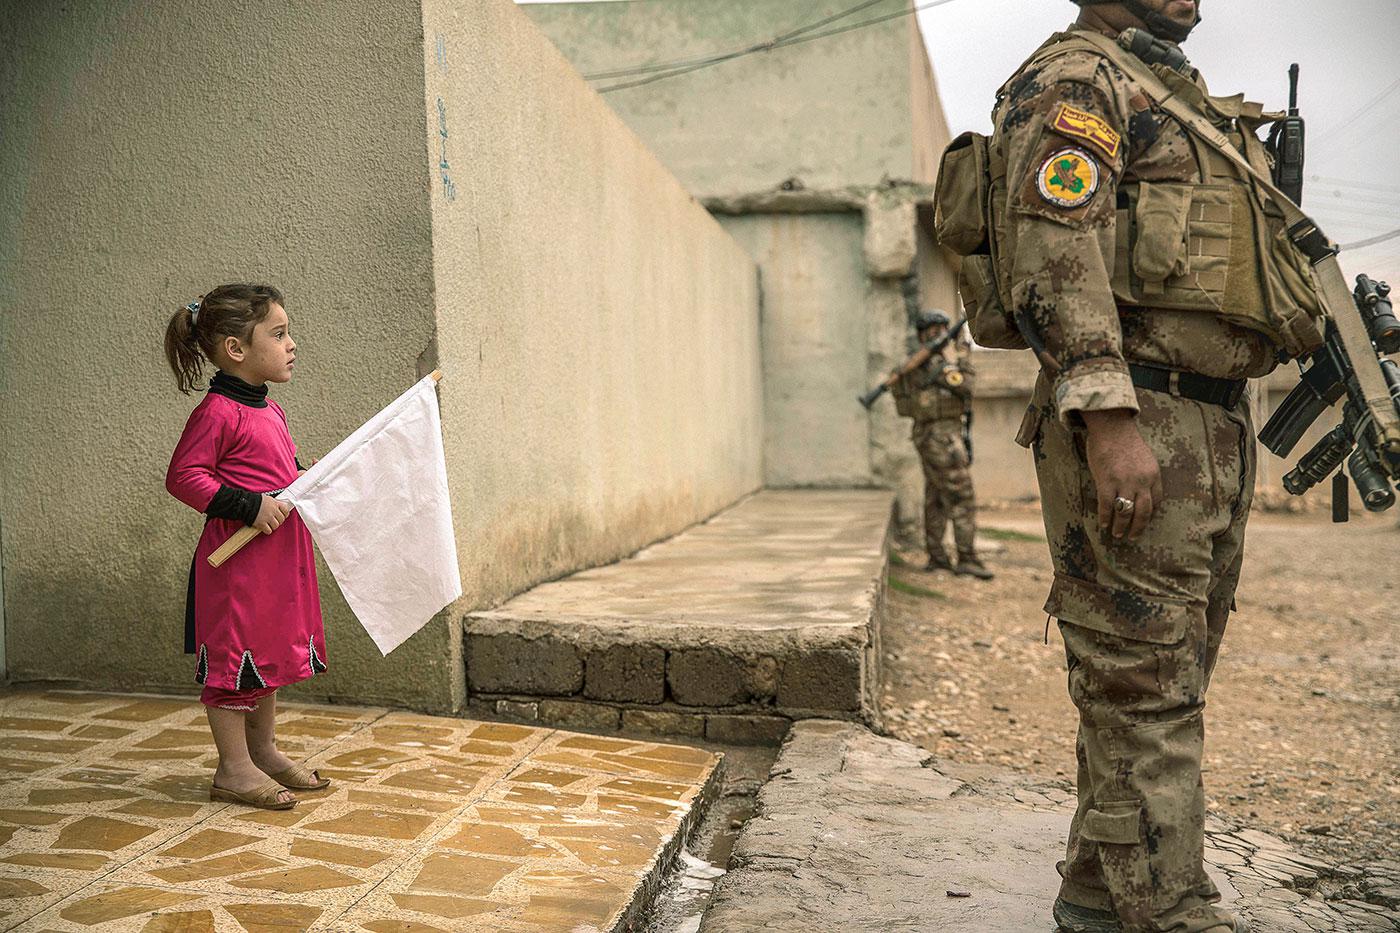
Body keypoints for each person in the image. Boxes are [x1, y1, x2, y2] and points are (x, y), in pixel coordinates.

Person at [980, 0, 1326, 929]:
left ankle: (1099, 892)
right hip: (1142, 416)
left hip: (1208, 423)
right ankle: (1169, 909)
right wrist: (1106, 415)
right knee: (1147, 688)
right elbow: (1056, 251)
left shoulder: (1179, 98)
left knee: (1166, 677)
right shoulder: (1077, 81)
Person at [164, 283, 330, 811]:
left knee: (265, 653)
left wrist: (302, 478)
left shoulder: (268, 410)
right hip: (236, 563)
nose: (291, 344)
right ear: (237, 349)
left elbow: (273, 473)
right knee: (235, 659)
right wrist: (249, 505)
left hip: (274, 561)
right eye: (278, 334)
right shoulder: (217, 412)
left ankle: (263, 750)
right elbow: (184, 476)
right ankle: (233, 768)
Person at [890, 310, 993, 580]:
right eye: (937, 330)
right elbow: (967, 385)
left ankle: (937, 556)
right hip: (942, 438)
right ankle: (967, 558)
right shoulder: (937, 365)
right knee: (961, 497)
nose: (941, 335)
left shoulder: (915, 365)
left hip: (926, 436)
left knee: (935, 497)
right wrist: (963, 354)